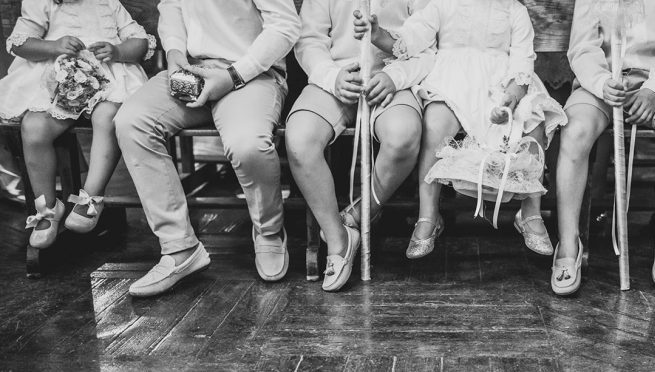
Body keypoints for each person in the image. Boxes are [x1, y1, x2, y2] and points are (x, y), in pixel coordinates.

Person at [114, 0, 300, 298]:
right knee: (132, 121)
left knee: (247, 144)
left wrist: (233, 76)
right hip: (193, 69)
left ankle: (269, 231)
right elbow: (172, 7)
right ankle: (180, 248)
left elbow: (285, 25)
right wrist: (174, 54)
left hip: (252, 73)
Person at [355, 0, 567, 259]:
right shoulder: (441, 5)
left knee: (532, 119)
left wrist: (515, 89)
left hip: (499, 84)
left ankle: (531, 210)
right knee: (435, 124)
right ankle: (428, 214)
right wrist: (378, 35)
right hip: (451, 81)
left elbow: (523, 58)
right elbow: (412, 38)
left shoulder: (515, 10)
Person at [553, 0, 655, 295]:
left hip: (652, 81)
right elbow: (582, 47)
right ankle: (569, 243)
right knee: (575, 131)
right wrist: (601, 82)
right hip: (599, 84)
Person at [285, 0, 434, 292]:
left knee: (403, 134)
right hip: (337, 77)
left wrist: (395, 76)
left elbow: (431, 48)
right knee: (300, 139)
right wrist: (332, 77)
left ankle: (358, 214)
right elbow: (309, 40)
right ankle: (338, 238)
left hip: (395, 77)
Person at [0, 0, 153, 249]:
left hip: (109, 83)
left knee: (109, 117)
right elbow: (20, 43)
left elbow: (139, 42)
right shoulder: (41, 2)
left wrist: (117, 51)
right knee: (34, 128)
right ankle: (47, 208)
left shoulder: (108, 2)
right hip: (61, 82)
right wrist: (53, 46)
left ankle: (90, 197)